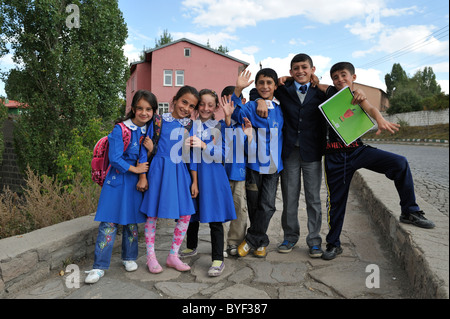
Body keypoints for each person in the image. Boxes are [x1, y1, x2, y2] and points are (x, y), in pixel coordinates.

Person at [318, 61, 435, 260]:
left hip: (357, 151)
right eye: (335, 77)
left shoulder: (357, 95)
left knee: (400, 163)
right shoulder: (329, 92)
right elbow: (312, 82)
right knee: (336, 202)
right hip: (334, 157)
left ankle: (410, 211)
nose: (340, 79)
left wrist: (380, 119)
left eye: (343, 75)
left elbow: (371, 108)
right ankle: (333, 244)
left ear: (353, 77)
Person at [252, 54, 327, 257]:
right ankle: (290, 237)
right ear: (291, 71)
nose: (300, 71)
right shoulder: (283, 90)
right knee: (289, 197)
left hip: (312, 152)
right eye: (296, 68)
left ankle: (314, 240)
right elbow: (257, 90)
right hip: (288, 152)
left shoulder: (320, 92)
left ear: (313, 69)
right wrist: (259, 99)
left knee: (313, 199)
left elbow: (341, 97)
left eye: (304, 67)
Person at [85, 90, 154, 284]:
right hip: (116, 180)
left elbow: (143, 156)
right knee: (109, 223)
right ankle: (98, 266)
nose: (144, 112)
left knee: (131, 223)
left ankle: (129, 257)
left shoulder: (148, 130)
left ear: (153, 111)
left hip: (134, 182)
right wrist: (136, 169)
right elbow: (115, 159)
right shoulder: (120, 129)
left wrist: (146, 162)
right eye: (140, 108)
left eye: (148, 109)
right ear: (132, 109)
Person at [139, 86, 200, 273]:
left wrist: (194, 181)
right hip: (158, 169)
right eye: (184, 102)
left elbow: (192, 155)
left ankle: (173, 255)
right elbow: (144, 148)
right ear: (174, 99)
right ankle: (151, 257)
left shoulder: (190, 125)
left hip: (180, 171)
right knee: (152, 213)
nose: (187, 108)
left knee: (186, 214)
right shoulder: (157, 121)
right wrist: (142, 176)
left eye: (191, 106)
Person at [180, 89, 237, 276]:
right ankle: (191, 245)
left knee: (215, 219)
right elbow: (190, 155)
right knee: (192, 213)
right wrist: (193, 180)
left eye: (210, 105)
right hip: (195, 175)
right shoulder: (191, 126)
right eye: (202, 104)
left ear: (216, 107)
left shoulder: (220, 126)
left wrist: (205, 145)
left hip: (214, 177)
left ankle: (218, 259)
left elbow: (224, 154)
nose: (205, 108)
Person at [231, 68, 284, 258]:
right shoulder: (250, 108)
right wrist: (238, 89)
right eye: (261, 82)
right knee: (254, 205)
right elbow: (233, 113)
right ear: (256, 85)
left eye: (269, 83)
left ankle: (252, 239)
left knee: (268, 205)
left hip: (273, 167)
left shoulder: (281, 107)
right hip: (253, 165)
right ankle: (261, 242)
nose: (265, 86)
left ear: (275, 86)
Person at [219, 86, 251, 257]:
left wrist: (249, 134)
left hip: (239, 174)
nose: (229, 107)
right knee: (222, 209)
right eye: (226, 103)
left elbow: (249, 150)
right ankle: (221, 243)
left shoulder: (245, 125)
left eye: (233, 103)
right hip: (222, 174)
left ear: (242, 103)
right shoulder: (221, 125)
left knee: (240, 209)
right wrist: (227, 118)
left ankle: (234, 242)